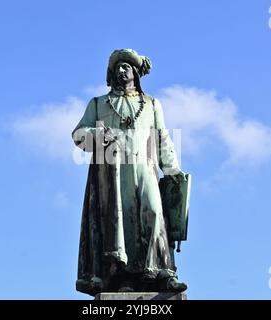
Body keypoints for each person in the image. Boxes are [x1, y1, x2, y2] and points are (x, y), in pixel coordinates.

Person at [72, 49, 187, 296]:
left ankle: (161, 271)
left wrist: (172, 168)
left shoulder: (152, 104)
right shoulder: (98, 103)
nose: (121, 71)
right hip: (111, 173)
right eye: (118, 68)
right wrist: (100, 136)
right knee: (119, 225)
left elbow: (161, 137)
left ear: (135, 72)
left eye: (126, 67)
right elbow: (78, 135)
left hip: (144, 166)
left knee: (154, 213)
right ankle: (123, 275)